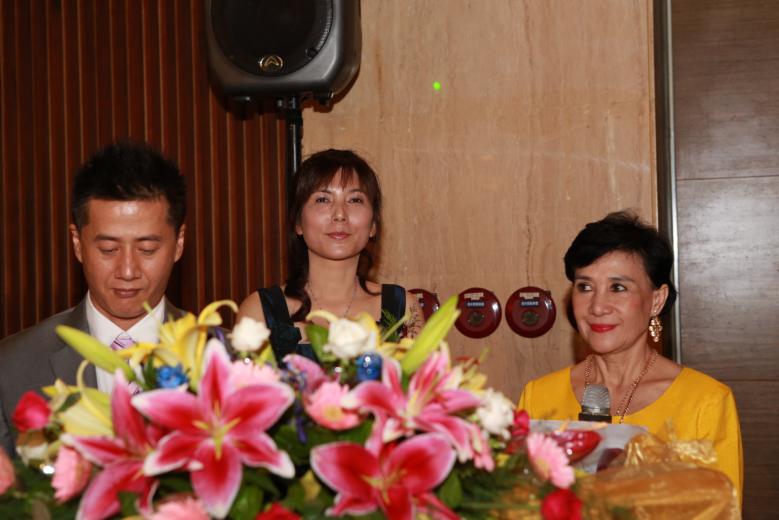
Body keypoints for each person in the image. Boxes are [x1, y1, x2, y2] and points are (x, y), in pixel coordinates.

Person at [517, 211, 743, 499]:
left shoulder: (705, 402)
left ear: (656, 300)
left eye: (618, 288)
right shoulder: (538, 396)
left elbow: (720, 510)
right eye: (585, 287)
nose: (597, 306)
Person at [0, 141, 187, 456]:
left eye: (147, 249)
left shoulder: (226, 359)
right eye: (108, 249)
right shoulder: (13, 366)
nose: (127, 271)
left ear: (179, 243)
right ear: (77, 243)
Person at [237, 149, 424, 361]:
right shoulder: (260, 311)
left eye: (355, 200)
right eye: (323, 200)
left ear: (373, 224)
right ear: (298, 222)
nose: (340, 214)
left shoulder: (403, 308)